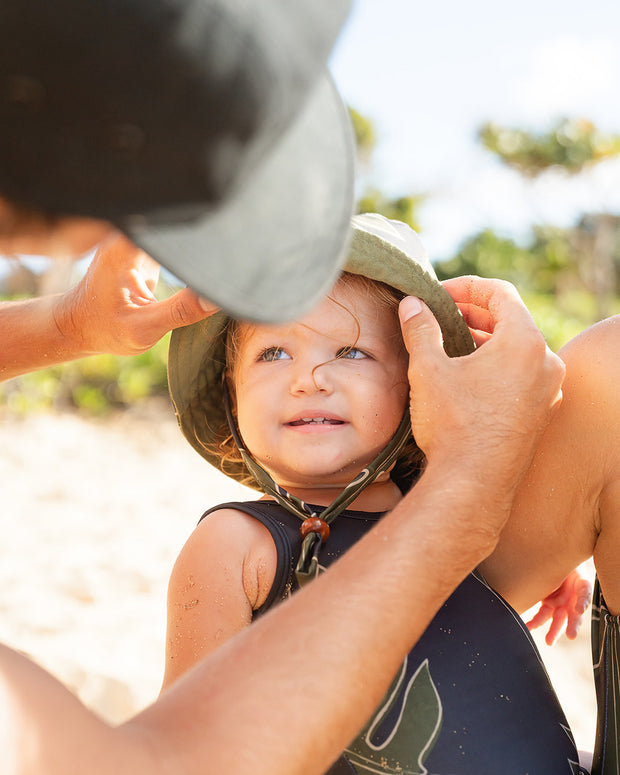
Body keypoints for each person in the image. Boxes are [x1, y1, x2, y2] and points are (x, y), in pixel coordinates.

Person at [163, 213, 584, 773]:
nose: (308, 378)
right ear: (231, 393)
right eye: (272, 353)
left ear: (420, 384)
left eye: (352, 352)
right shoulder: (237, 544)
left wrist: (555, 557)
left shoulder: (463, 512)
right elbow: (182, 744)